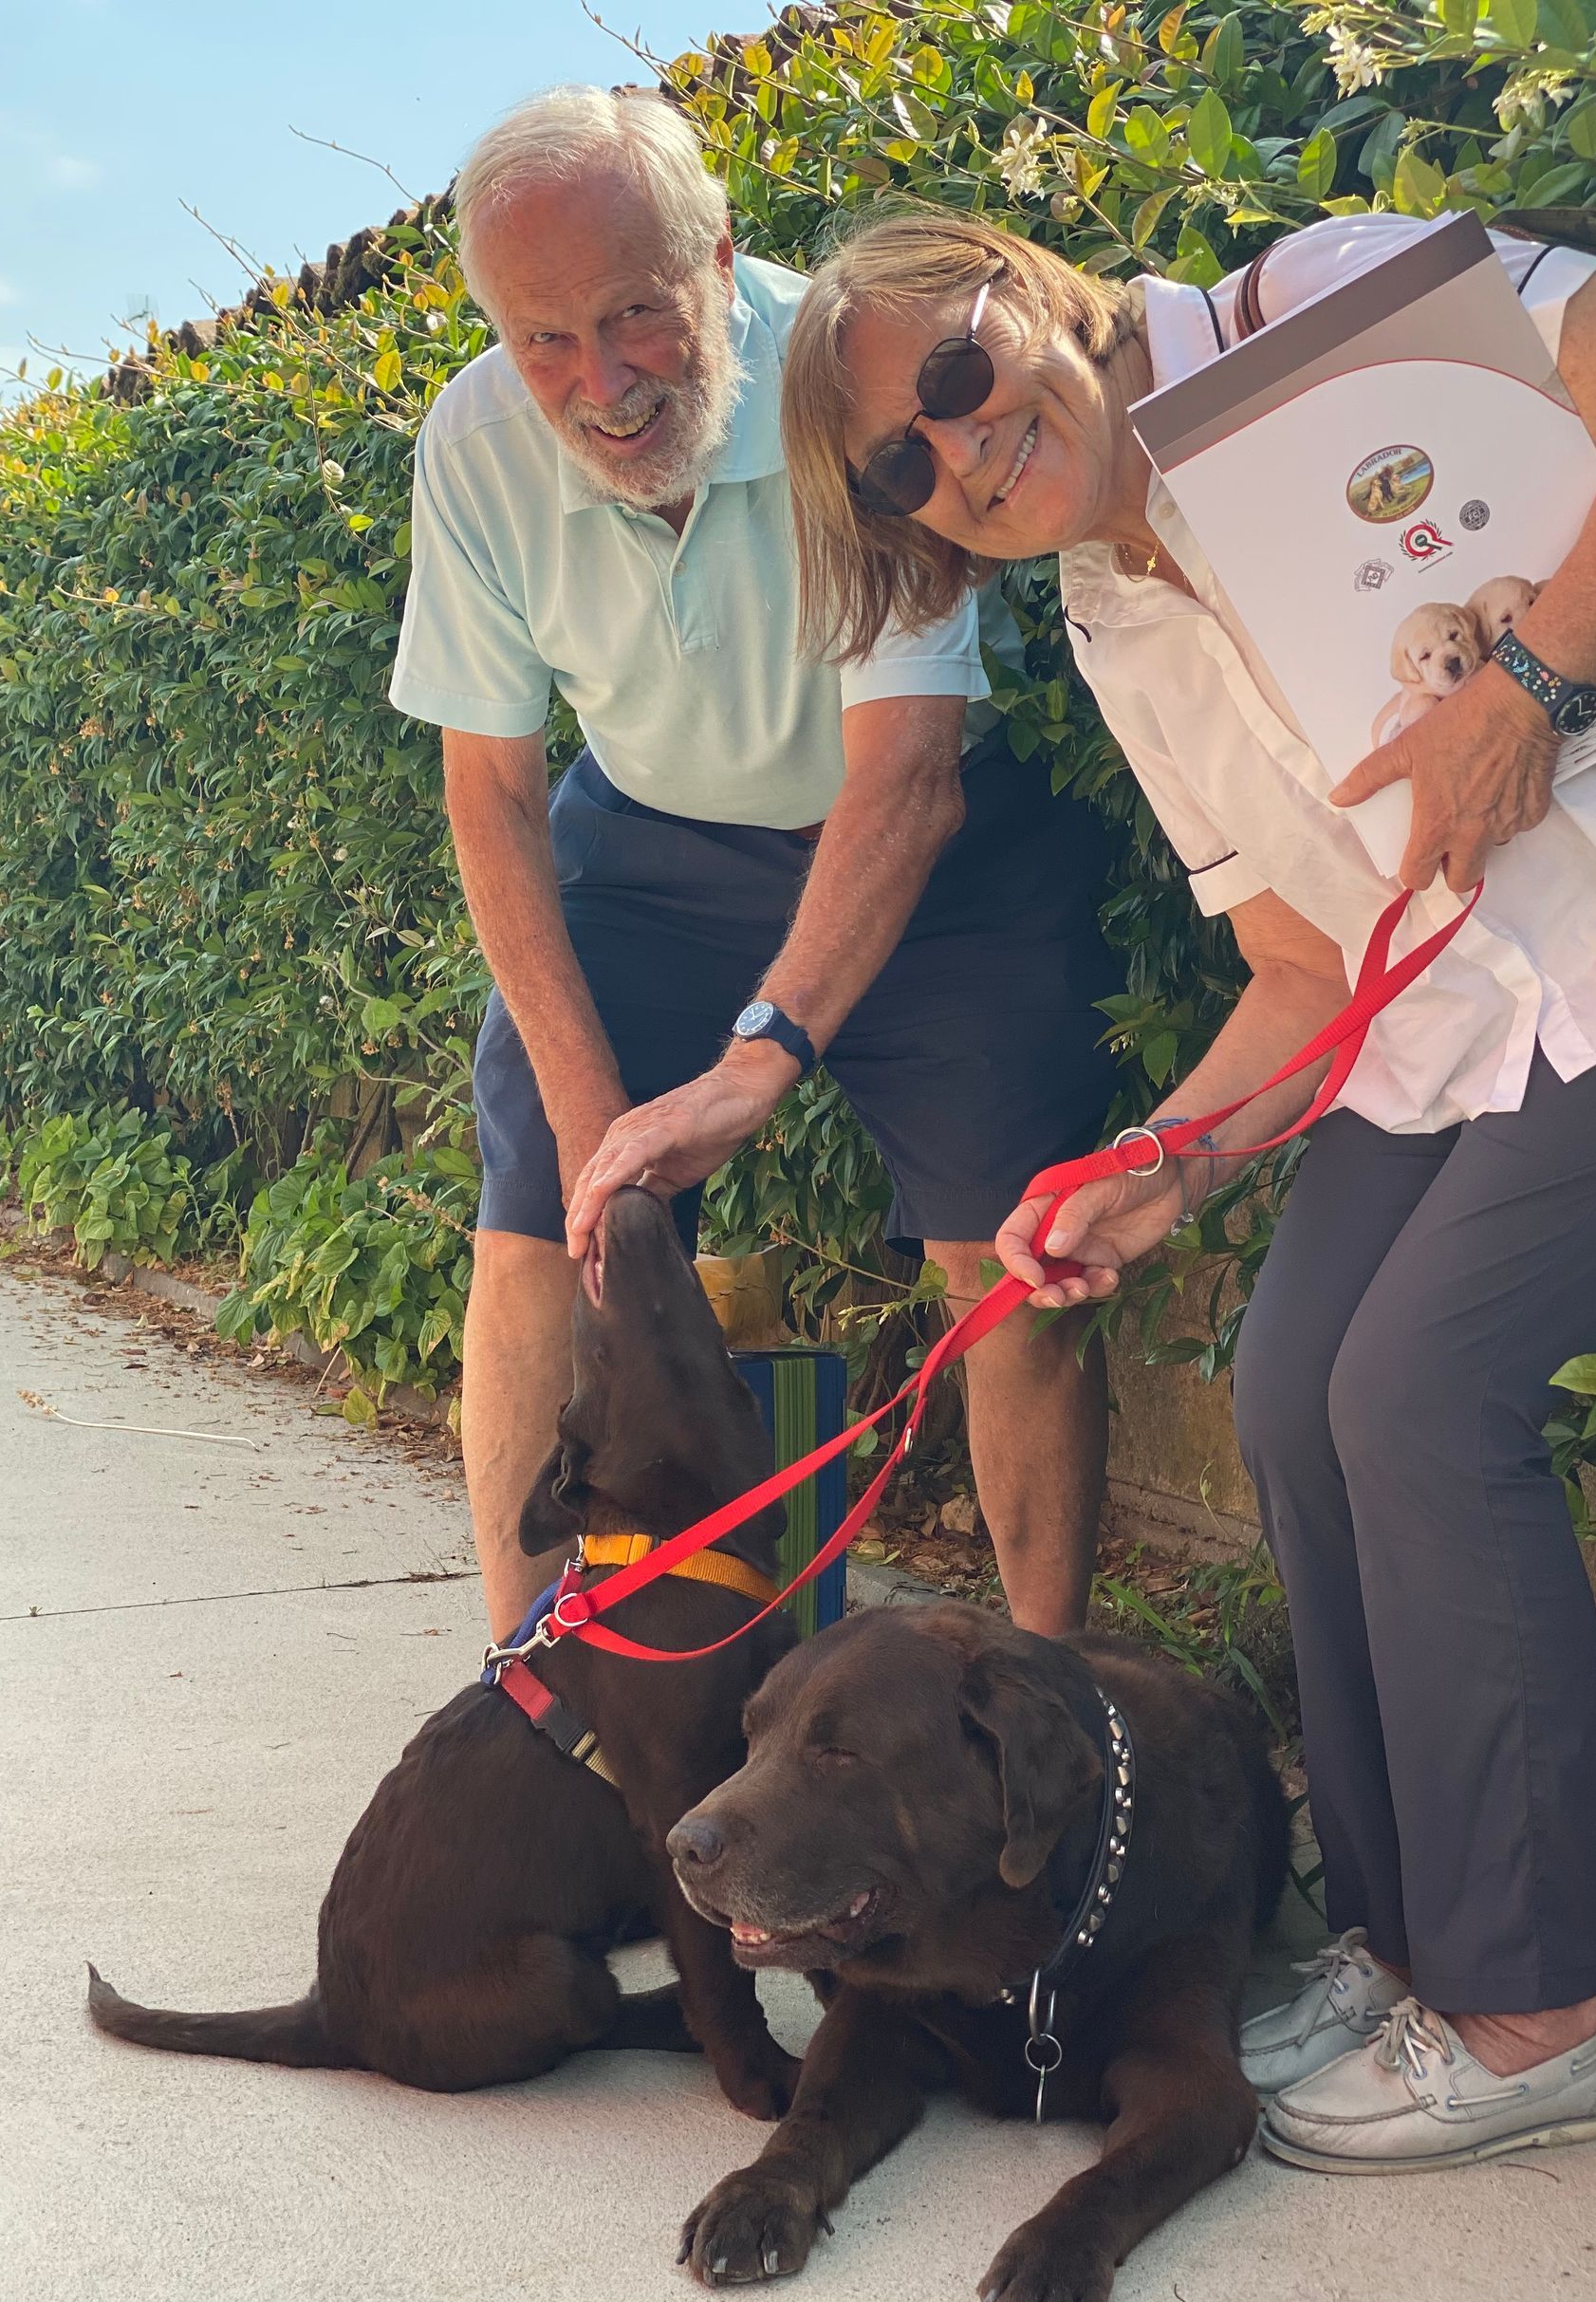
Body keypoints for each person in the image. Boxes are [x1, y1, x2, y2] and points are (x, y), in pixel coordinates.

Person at [779, 204, 1596, 2173]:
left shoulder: (1314, 306)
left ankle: (1539, 2011)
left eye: (956, 371)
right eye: (898, 464)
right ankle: (1406, 1949)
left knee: (1420, 1395)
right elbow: (1303, 967)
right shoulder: (1105, 612)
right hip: (1443, 1024)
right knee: (1296, 1386)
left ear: (1031, 287)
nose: (959, 446)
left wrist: (1533, 689)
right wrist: (1155, 1164)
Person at [387, 89, 1121, 1647]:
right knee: (538, 1231)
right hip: (648, 838)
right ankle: (526, 1688)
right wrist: (593, 1136)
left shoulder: (845, 384)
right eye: (544, 340)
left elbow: (906, 776)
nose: (602, 384)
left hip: (926, 846)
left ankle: (1045, 1692)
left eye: (635, 315)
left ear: (717, 259)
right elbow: (491, 794)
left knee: (1007, 1263)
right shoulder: (473, 442)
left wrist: (754, 1062)